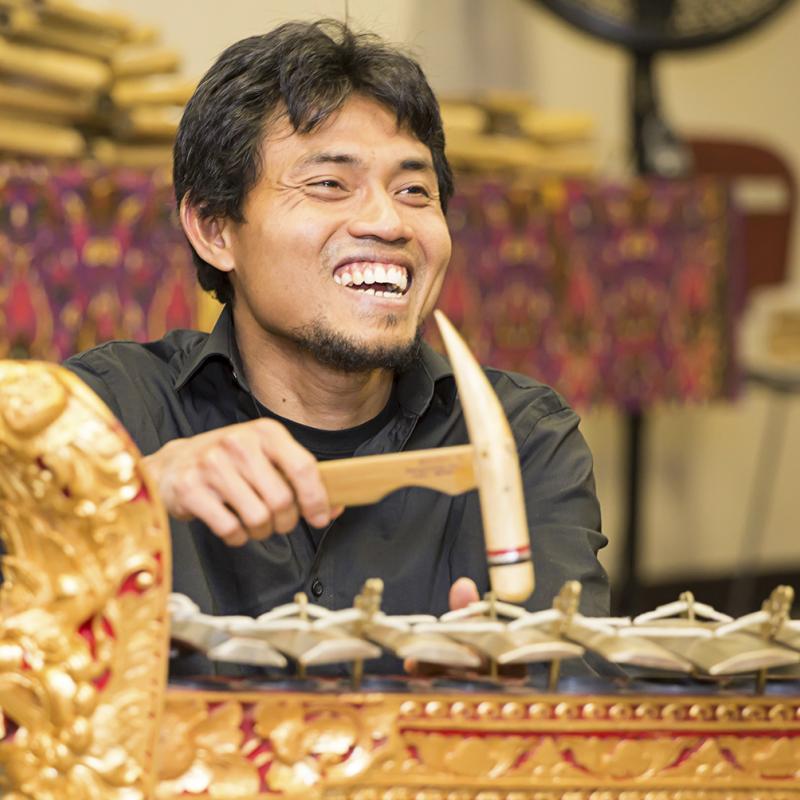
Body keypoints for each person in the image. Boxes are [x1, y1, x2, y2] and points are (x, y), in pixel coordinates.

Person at [65, 20, 609, 674]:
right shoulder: (106, 415)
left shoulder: (527, 438)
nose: (387, 222)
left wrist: (501, 711)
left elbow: (575, 699)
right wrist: (132, 493)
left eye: (415, 190)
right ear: (214, 229)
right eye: (329, 184)